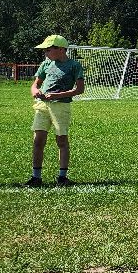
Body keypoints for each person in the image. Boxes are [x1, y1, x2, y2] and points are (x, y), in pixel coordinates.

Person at [28, 34, 85, 186]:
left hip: (61, 107)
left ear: (60, 49)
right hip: (42, 107)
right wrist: (35, 91)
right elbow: (35, 85)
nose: (45, 53)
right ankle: (36, 177)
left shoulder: (74, 66)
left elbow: (80, 90)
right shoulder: (45, 64)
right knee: (38, 140)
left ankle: (62, 177)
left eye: (48, 50)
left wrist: (57, 95)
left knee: (61, 140)